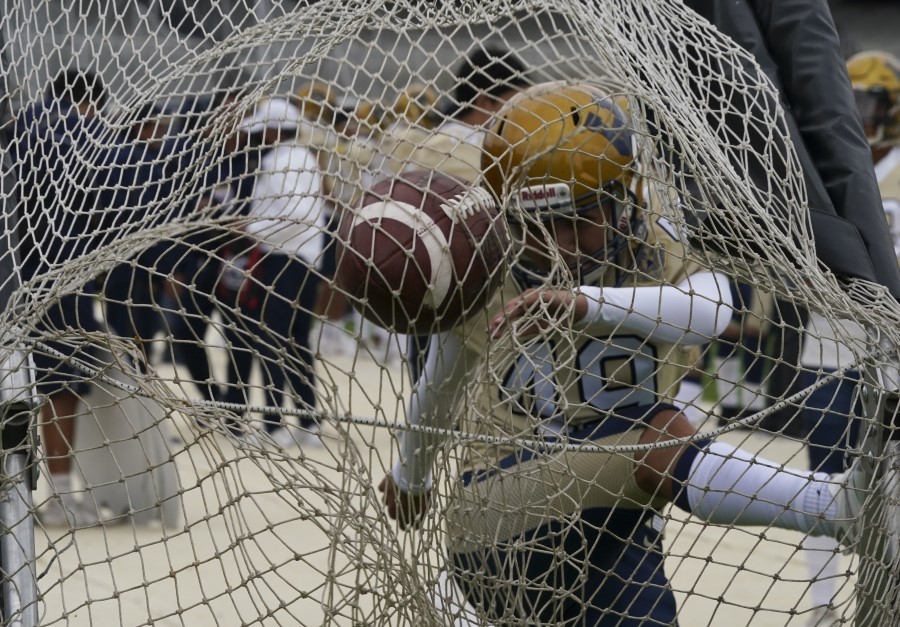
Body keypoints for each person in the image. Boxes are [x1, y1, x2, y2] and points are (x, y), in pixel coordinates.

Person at [378, 81, 877, 626]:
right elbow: (441, 383)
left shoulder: (653, 231)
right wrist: (411, 478)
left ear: (622, 199)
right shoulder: (486, 257)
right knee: (658, 432)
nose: (559, 245)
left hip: (615, 528)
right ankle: (834, 508)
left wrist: (587, 304)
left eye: (577, 220)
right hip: (502, 518)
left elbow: (711, 311)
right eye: (538, 223)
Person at [798, 49, 900, 627]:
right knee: (824, 470)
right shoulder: (828, 162)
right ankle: (821, 606)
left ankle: (887, 589)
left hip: (894, 335)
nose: (858, 112)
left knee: (889, 469)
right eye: (852, 99)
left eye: (868, 100)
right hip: (832, 331)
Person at [11, 68, 110, 527]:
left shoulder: (19, 126)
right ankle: (61, 497)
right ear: (88, 104)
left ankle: (21, 495)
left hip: (14, 277)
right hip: (57, 279)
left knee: (18, 388)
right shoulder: (78, 131)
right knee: (61, 388)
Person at [238, 96, 329, 448]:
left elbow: (295, 216)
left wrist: (251, 229)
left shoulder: (283, 160)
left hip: (284, 260)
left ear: (275, 130)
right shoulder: (302, 157)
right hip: (304, 260)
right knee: (296, 343)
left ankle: (274, 426)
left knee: (272, 341)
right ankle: (308, 421)